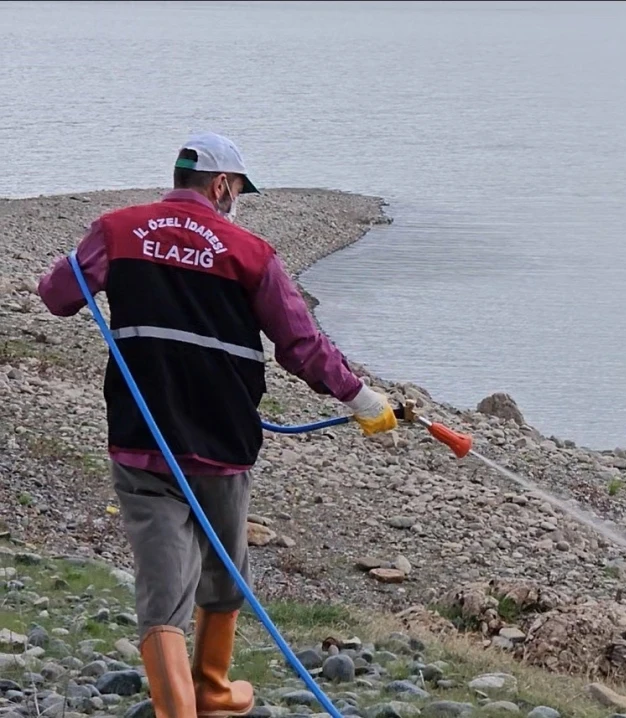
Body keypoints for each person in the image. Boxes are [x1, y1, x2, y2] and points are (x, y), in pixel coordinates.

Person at [37, 132, 398, 718]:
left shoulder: (118, 230)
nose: (237, 201)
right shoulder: (250, 252)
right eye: (237, 191)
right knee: (225, 569)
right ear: (222, 185)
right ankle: (206, 690)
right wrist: (359, 397)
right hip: (222, 441)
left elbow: (56, 296)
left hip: (142, 438)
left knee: (163, 584)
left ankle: (194, 698)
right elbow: (300, 344)